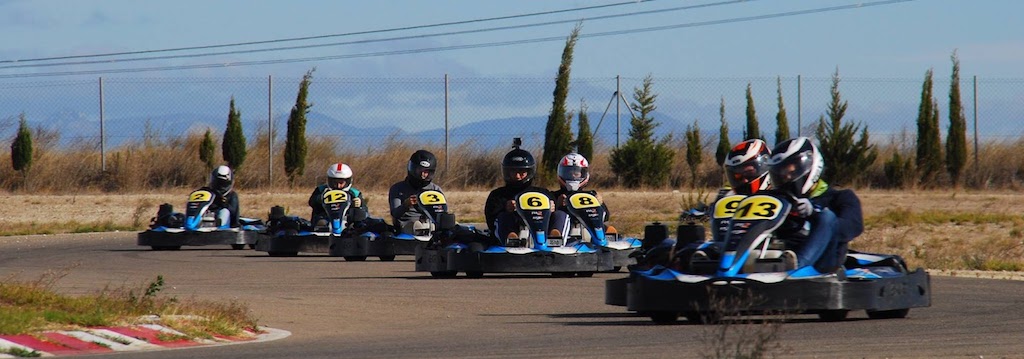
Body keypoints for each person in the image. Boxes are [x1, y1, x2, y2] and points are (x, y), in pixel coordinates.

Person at [767, 137, 864, 272]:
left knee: (827, 217)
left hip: (823, 263)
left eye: (791, 172)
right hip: (781, 254)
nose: (787, 178)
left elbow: (852, 227)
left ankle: (796, 267)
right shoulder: (777, 200)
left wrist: (814, 213)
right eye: (782, 174)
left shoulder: (841, 197)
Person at [484, 138, 554, 243]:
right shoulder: (498, 195)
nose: (517, 176)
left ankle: (555, 238)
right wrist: (505, 208)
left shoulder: (542, 193)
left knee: (560, 215)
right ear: (507, 172)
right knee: (504, 217)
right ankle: (512, 239)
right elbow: (491, 220)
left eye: (521, 172)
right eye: (513, 172)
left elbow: (560, 209)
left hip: (541, 233)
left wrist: (553, 206)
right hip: (506, 241)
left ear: (529, 172)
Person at [549, 152, 614, 238]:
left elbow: (606, 217)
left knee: (596, 218)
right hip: (565, 233)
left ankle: (608, 236)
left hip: (587, 231)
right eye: (569, 172)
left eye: (576, 173)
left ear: (584, 174)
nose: (572, 175)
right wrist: (556, 206)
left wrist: (600, 204)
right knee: (560, 215)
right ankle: (556, 237)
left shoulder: (591, 195)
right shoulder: (553, 196)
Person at [388, 150, 443, 234]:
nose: (422, 175)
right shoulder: (398, 188)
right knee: (418, 226)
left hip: (431, 224)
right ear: (413, 168)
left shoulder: (436, 190)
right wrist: (406, 205)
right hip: (406, 225)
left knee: (449, 227)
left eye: (426, 172)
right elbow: (395, 214)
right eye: (420, 170)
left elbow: (442, 213)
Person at [309, 162, 366, 228]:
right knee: (321, 222)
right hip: (325, 218)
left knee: (359, 224)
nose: (338, 186)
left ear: (348, 181)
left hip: (347, 220)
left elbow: (365, 213)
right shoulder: (321, 190)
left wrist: (359, 205)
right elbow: (311, 202)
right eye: (335, 183)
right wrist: (320, 198)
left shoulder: (355, 193)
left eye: (341, 183)